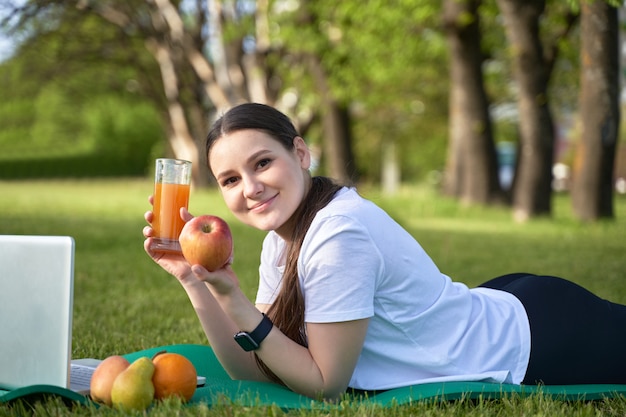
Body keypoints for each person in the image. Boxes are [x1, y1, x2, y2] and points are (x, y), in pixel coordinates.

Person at [143, 103, 626, 401]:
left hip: (538, 340)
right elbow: (255, 369)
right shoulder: (280, 240)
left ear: (301, 153)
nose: (249, 188)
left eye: (263, 162)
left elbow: (324, 383)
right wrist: (196, 282)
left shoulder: (338, 234)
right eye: (230, 179)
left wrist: (237, 303)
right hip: (494, 302)